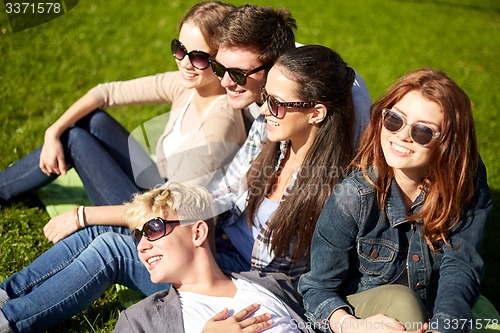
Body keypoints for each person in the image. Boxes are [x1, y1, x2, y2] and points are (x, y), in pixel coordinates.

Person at [298, 68, 492, 333]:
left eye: (423, 131)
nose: (402, 135)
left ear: (449, 144)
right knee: (403, 303)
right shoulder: (354, 197)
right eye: (394, 120)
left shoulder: (464, 180)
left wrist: (443, 328)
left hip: (429, 308)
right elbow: (316, 289)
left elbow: (460, 264)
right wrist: (353, 326)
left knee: (482, 316)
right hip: (365, 316)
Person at [0, 1, 245, 209]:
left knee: (75, 139)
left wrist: (81, 217)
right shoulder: (187, 86)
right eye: (179, 49)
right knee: (93, 120)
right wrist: (52, 132)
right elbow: (107, 93)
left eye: (198, 57)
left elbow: (173, 209)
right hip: (158, 184)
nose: (185, 63)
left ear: (221, 60)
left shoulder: (220, 122)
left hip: (158, 220)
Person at [113, 182, 315, 333]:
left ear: (198, 232)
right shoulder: (139, 322)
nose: (142, 246)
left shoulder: (276, 286)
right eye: (138, 236)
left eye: (153, 229)